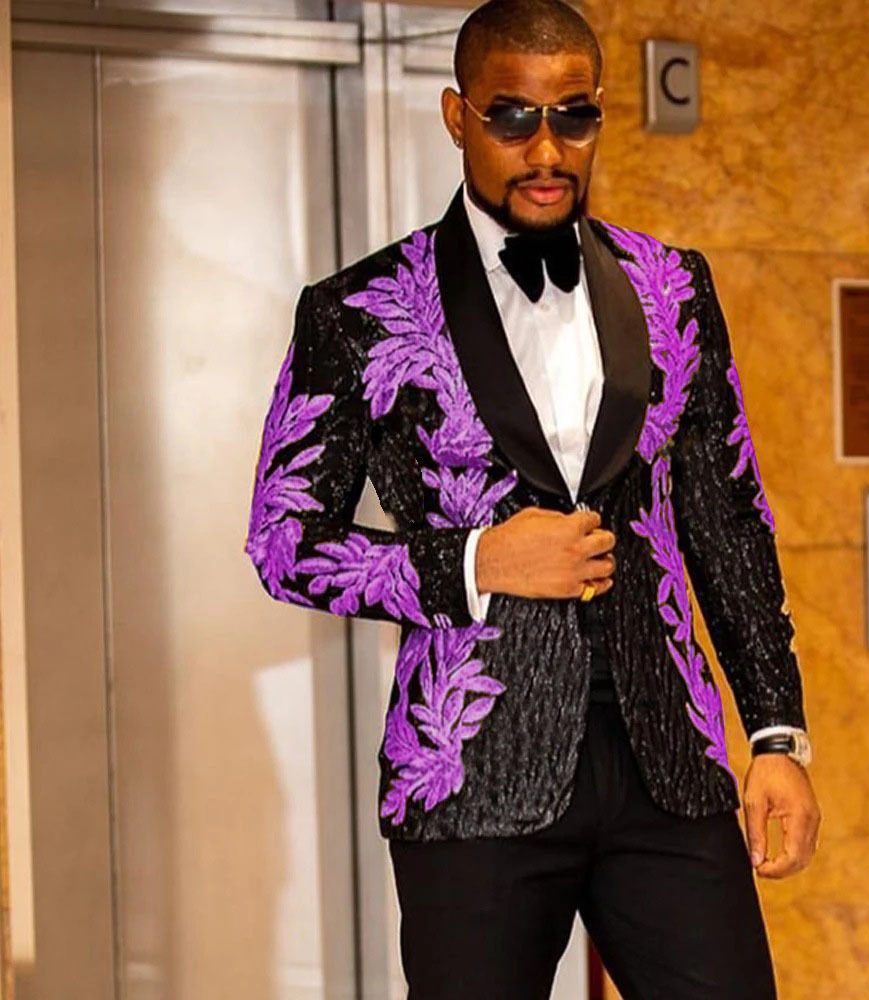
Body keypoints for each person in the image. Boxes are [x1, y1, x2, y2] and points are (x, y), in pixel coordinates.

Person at [245, 1, 821, 996]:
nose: (546, 149)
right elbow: (283, 540)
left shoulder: (673, 286)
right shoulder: (357, 312)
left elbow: (727, 518)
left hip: (669, 767)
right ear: (457, 116)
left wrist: (776, 733)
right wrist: (477, 561)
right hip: (470, 776)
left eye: (573, 116)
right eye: (512, 117)